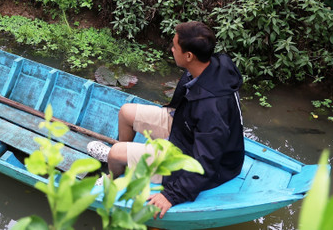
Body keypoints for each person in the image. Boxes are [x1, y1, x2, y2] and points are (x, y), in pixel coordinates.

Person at [86, 21, 243, 220]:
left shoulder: (212, 107)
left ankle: (113, 173)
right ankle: (125, 162)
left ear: (188, 56)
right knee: (126, 112)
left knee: (116, 153)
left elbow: (206, 163)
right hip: (186, 128)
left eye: (175, 46)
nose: (171, 49)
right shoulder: (210, 64)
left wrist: (172, 195)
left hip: (196, 158)